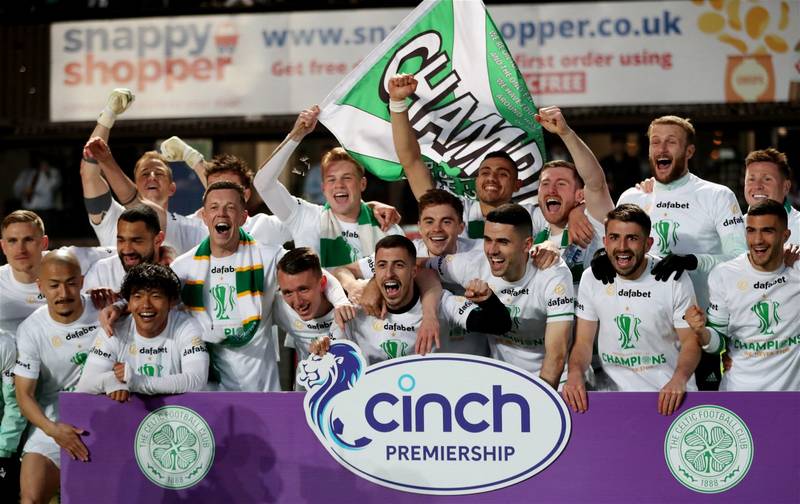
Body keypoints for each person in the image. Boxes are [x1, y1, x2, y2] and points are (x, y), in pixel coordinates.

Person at [598, 115, 747, 389]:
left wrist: (692, 261)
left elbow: (741, 260)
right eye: (656, 142)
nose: (662, 149)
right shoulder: (632, 198)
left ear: (689, 151)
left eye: (671, 142)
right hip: (646, 339)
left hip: (701, 332)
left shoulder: (717, 195)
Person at [563, 204, 701, 415]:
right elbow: (583, 342)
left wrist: (679, 380)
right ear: (605, 242)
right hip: (614, 399)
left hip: (668, 397)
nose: (622, 247)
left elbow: (691, 342)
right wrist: (574, 374)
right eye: (615, 237)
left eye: (632, 238)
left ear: (648, 244)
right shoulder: (591, 278)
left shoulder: (674, 278)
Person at [428, 204, 575, 388]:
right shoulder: (473, 264)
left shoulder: (552, 273)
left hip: (554, 381)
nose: (492, 250)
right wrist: (429, 313)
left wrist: (541, 402)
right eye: (488, 240)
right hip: (502, 380)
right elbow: (418, 269)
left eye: (503, 242)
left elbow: (557, 354)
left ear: (527, 245)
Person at [312, 235, 512, 365]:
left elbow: (499, 324)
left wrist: (488, 300)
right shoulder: (358, 309)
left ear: (413, 271)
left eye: (398, 265)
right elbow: (331, 352)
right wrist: (322, 345)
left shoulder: (440, 302)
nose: (389, 273)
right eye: (382, 265)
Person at [253, 106, 405, 268]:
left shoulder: (387, 228)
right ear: (323, 188)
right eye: (331, 180)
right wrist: (296, 135)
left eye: (347, 178)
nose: (339, 185)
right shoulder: (305, 217)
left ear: (362, 184)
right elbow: (263, 183)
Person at [685, 199, 800, 391]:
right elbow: (717, 342)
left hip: (792, 400)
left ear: (786, 235)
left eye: (768, 231)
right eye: (751, 230)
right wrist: (701, 332)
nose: (758, 240)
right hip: (739, 395)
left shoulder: (796, 271)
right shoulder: (724, 275)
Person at [15, 251, 101, 504]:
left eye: (71, 283)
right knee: (30, 499)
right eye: (54, 285)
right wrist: (54, 431)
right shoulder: (31, 329)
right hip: (54, 422)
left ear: (82, 282)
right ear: (40, 286)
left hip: (108, 416)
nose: (63, 293)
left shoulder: (106, 309)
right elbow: (24, 395)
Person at [80, 89, 206, 255]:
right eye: (145, 174)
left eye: (159, 173)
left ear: (172, 188)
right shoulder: (113, 218)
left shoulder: (189, 227)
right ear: (135, 184)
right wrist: (107, 117)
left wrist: (194, 158)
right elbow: (89, 175)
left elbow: (224, 194)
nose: (151, 177)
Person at [77, 263, 208, 398]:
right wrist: (111, 380)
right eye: (138, 297)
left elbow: (196, 382)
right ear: (128, 302)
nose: (146, 305)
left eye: (156, 296)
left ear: (171, 302)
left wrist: (139, 382)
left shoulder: (187, 326)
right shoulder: (113, 329)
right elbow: (85, 385)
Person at [532, 106, 615, 283]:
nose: (551, 190)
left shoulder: (593, 223)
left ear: (580, 195)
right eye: (545, 183)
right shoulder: (531, 233)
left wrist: (566, 133)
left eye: (561, 184)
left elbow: (595, 182)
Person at [159, 143, 294, 247]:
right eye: (214, 189)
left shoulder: (265, 226)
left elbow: (305, 219)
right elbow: (150, 215)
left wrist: (295, 137)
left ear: (246, 195)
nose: (222, 194)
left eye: (230, 187)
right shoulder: (191, 229)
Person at [1, 210, 114, 334]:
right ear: (3, 246)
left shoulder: (68, 259)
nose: (20, 249)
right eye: (12, 241)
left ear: (44, 243)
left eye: (28, 240)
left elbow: (126, 252)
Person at [272, 248, 345, 387]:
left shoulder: (351, 305)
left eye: (303, 289)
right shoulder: (279, 307)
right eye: (288, 292)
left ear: (322, 283)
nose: (298, 302)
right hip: (307, 392)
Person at [82, 204, 166, 292]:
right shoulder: (101, 272)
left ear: (158, 240)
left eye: (136, 240)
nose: (127, 250)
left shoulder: (176, 270)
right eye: (121, 240)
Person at [743, 147, 799, 245]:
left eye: (767, 179)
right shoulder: (733, 228)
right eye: (751, 179)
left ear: (786, 187)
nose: (758, 186)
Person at [600, 134, 642, 202]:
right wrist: (606, 185)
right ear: (612, 145)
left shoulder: (633, 162)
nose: (618, 146)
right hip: (611, 196)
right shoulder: (605, 162)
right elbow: (600, 178)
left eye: (620, 144)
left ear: (624, 145)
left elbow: (636, 179)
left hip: (629, 194)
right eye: (616, 144)